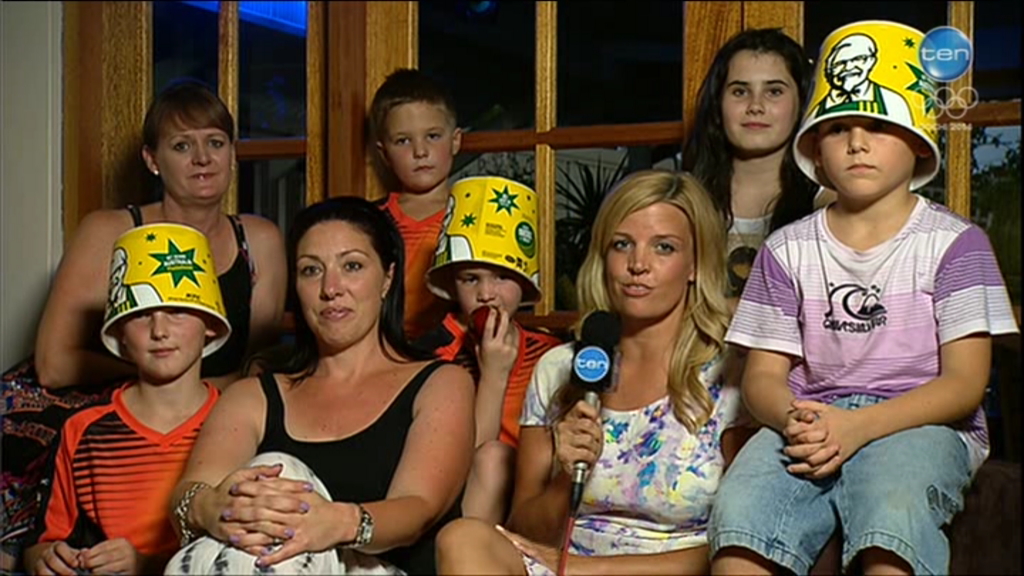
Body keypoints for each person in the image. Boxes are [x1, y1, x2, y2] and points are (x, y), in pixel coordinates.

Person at [709, 21, 1020, 576]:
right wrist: (798, 420)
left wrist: (859, 427)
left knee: (893, 513)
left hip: (921, 421)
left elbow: (964, 384)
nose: (857, 142)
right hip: (810, 416)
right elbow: (761, 379)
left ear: (918, 143)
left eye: (878, 126)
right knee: (741, 515)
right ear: (814, 149)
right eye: (838, 128)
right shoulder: (786, 249)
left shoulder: (957, 244)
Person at [0, 79, 287, 571]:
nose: (203, 158)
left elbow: (257, 364)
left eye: (215, 142)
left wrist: (197, 388)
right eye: (182, 146)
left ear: (233, 154)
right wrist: (152, 373)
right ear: (153, 160)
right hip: (89, 401)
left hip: (207, 405)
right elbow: (53, 365)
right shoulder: (109, 229)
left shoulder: (258, 239)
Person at [436, 170, 747, 575]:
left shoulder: (730, 375)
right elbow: (525, 530)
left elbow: (742, 545)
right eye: (622, 244)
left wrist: (589, 569)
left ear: (695, 265)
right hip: (562, 561)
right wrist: (567, 476)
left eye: (663, 247)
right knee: (461, 538)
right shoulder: (559, 369)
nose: (637, 264)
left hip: (664, 570)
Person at [165, 197, 474, 575]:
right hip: (259, 563)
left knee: (281, 472)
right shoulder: (254, 395)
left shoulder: (441, 382)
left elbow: (418, 509)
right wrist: (210, 508)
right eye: (311, 270)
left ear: (387, 278)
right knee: (256, 495)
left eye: (352, 266)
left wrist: (337, 523)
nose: (330, 288)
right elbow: (191, 490)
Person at [23, 223, 230, 576]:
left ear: (209, 323)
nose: (159, 331)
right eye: (141, 315)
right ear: (119, 332)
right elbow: (39, 545)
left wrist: (146, 566)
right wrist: (48, 558)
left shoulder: (236, 421)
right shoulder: (81, 430)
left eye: (177, 310)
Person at [416, 176, 563, 525]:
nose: (486, 294)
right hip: (465, 508)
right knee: (493, 457)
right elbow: (465, 466)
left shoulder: (551, 354)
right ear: (453, 284)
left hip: (536, 507)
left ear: (524, 282)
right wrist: (494, 374)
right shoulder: (432, 355)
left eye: (501, 277)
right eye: (471, 279)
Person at [681, 28, 826, 302]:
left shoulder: (827, 207)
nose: (755, 106)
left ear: (802, 103)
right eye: (740, 91)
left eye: (774, 91)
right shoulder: (683, 201)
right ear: (718, 104)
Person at [369, 68, 464, 341]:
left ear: (455, 140)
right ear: (384, 153)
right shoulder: (371, 221)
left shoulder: (470, 216)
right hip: (381, 350)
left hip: (452, 351)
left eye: (432, 136)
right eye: (403, 141)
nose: (420, 151)